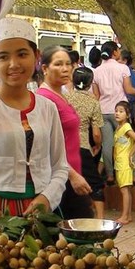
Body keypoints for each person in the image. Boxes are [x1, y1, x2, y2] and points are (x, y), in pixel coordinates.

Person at [0, 17, 69, 229]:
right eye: (3, 57)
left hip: (43, 214)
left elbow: (60, 166)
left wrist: (47, 198)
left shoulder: (48, 108)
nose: (13, 64)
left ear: (36, 56)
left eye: (22, 54)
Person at [37, 46, 93, 219]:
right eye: (58, 64)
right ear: (45, 68)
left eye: (68, 64)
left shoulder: (62, 93)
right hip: (59, 179)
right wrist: (73, 175)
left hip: (72, 174)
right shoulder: (44, 98)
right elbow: (44, 147)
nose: (65, 69)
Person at [93, 41, 135, 186]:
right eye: (118, 49)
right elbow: (129, 90)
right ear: (114, 52)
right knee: (130, 142)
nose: (120, 51)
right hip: (121, 111)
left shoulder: (96, 71)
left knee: (107, 145)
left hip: (104, 111)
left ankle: (109, 176)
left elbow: (96, 96)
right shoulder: (123, 68)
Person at [65, 67, 105, 218]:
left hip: (65, 148)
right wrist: (98, 145)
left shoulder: (65, 99)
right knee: (96, 184)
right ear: (90, 83)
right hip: (82, 146)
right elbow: (96, 133)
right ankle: (100, 220)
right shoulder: (93, 102)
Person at [113, 101, 135, 224]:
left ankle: (124, 216)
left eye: (121, 111)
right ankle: (128, 215)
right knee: (125, 190)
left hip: (124, 163)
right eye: (116, 111)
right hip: (120, 162)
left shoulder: (126, 127)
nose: (117, 113)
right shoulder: (119, 127)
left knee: (124, 190)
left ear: (128, 114)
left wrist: (130, 154)